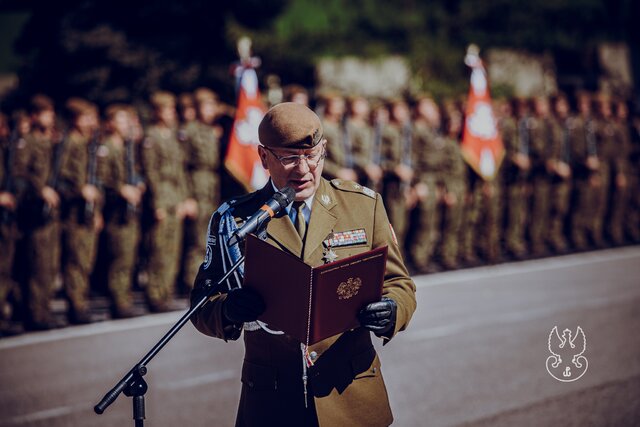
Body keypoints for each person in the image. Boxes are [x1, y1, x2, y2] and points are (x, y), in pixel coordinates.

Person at [190, 102, 416, 426]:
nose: (303, 169)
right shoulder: (235, 219)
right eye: (289, 158)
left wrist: (393, 309)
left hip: (351, 394)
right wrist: (227, 309)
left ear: (324, 150)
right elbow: (201, 303)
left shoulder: (363, 206)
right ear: (264, 157)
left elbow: (400, 284)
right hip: (272, 400)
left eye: (312, 156)